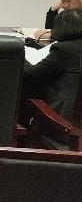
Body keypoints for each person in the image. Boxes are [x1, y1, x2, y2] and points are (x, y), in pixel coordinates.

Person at [23, 8, 82, 149]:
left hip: (63, 125)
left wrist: (21, 55)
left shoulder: (65, 49)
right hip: (75, 121)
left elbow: (31, 74)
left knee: (26, 95)